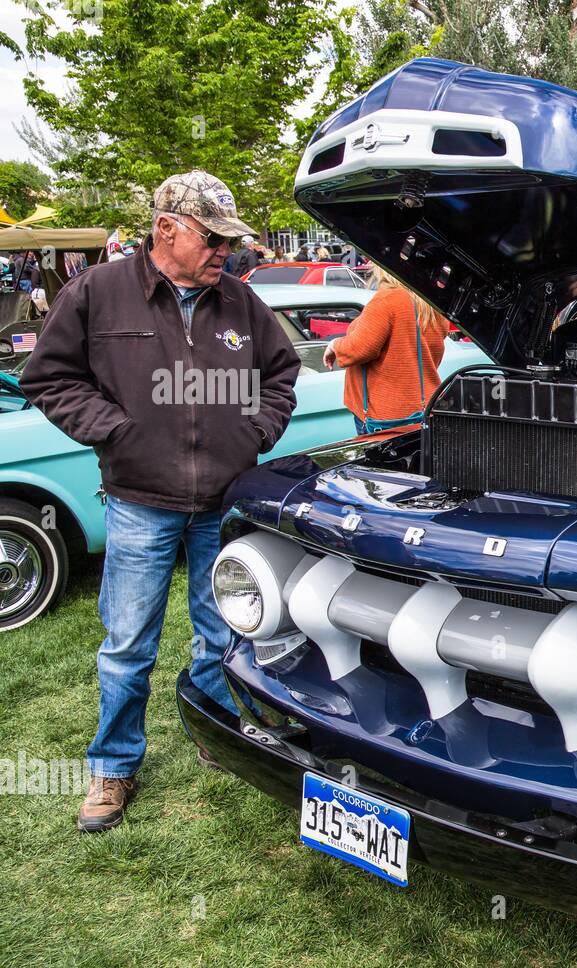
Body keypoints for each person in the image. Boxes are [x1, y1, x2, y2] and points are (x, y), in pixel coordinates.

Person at [19, 169, 301, 832]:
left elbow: (282, 377)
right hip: (139, 500)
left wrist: (253, 431)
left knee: (223, 631)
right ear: (165, 230)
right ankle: (113, 768)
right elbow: (49, 377)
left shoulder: (241, 301)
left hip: (222, 503)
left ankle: (214, 734)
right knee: (127, 642)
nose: (223, 252)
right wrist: (115, 432)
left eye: (228, 241)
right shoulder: (97, 292)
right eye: (211, 238)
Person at [321, 264, 448, 433]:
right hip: (425, 408)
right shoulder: (430, 303)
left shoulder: (387, 301)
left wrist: (334, 345)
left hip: (383, 415)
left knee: (381, 459)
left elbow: (360, 348)